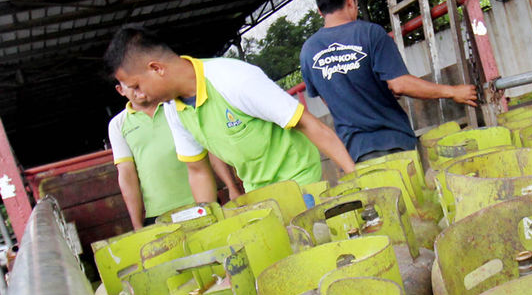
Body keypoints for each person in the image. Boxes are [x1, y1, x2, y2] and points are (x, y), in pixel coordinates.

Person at [104, 26, 356, 194]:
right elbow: (197, 170)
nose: (137, 96)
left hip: (300, 181)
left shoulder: (233, 79)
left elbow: (309, 124)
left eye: (136, 86)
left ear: (156, 68)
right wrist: (207, 222)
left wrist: (355, 178)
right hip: (257, 191)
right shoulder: (174, 108)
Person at [300, 0, 478, 163]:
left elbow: (330, 97)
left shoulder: (308, 51)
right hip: (393, 144)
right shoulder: (369, 33)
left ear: (320, 10)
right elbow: (400, 84)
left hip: (353, 155)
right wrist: (453, 92)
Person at [108, 81, 243, 229]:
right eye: (132, 87)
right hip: (158, 214)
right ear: (120, 90)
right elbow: (127, 175)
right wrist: (137, 224)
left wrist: (232, 187)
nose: (139, 91)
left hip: (202, 201)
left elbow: (208, 149)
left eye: (140, 84)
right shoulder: (118, 124)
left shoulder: (175, 106)